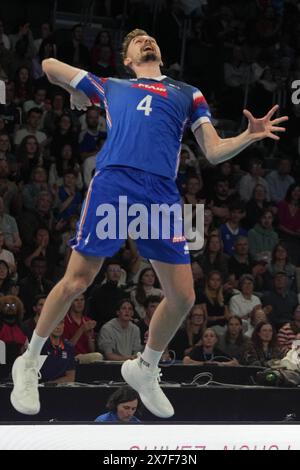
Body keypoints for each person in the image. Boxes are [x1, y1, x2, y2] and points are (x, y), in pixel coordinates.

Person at [10, 28, 288, 418]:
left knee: (184, 297)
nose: (147, 41)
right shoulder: (112, 86)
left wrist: (247, 135)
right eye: (138, 41)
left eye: (151, 39)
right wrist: (76, 89)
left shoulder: (187, 93)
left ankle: (144, 368)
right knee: (78, 280)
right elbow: (49, 64)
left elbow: (212, 149)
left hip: (160, 191)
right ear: (127, 58)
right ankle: (30, 359)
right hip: (115, 182)